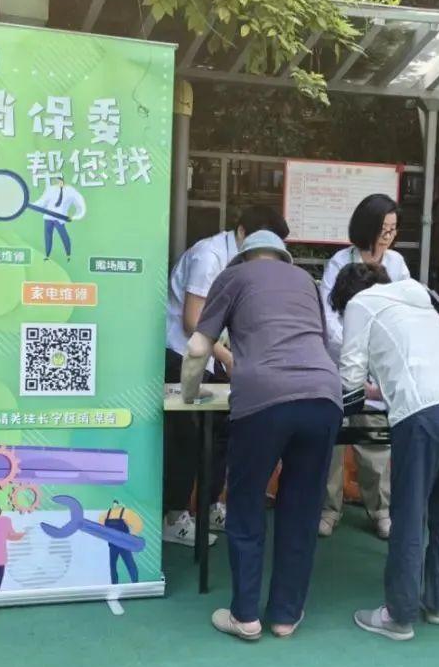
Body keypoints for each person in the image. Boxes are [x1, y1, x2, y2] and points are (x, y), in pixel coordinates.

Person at [182, 230, 342, 641]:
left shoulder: (233, 277)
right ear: (283, 257)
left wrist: (189, 394)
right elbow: (321, 342)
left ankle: (245, 615)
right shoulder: (306, 281)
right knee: (302, 509)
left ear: (243, 257)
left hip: (263, 400)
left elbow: (198, 347)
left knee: (247, 502)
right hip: (324, 397)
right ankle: (285, 616)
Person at [330, 264, 439, 641]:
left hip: (423, 412)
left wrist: (340, 410)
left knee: (409, 512)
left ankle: (398, 616)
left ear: (346, 298)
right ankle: (437, 604)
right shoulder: (418, 300)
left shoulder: (361, 303)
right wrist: (381, 389)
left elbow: (351, 373)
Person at [163, 206, 290, 548]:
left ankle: (210, 507)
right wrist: (229, 357)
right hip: (183, 355)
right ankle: (174, 517)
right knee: (186, 439)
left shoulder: (248, 262)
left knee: (221, 435)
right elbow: (192, 321)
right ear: (243, 232)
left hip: (216, 357)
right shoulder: (209, 256)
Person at [319, 193, 410, 541]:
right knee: (332, 439)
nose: (389, 235)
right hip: (340, 358)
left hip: (380, 359)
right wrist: (353, 348)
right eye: (383, 228)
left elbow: (401, 312)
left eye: (393, 228)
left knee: (374, 439)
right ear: (367, 227)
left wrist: (376, 351)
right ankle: (328, 509)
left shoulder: (397, 263)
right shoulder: (340, 261)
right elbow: (330, 316)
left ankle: (381, 510)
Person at [33, 177, 86, 261]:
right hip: (48, 216)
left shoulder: (70, 190)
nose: (58, 183)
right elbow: (42, 201)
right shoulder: (51, 189)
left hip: (60, 218)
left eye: (60, 181)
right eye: (56, 181)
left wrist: (75, 217)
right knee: (48, 236)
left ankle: (68, 254)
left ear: (63, 181)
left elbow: (81, 205)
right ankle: (47, 255)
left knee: (64, 236)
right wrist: (31, 205)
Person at [99, 500, 145, 585]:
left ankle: (135, 583)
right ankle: (114, 584)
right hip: (113, 545)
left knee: (130, 564)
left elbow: (139, 524)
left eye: (116, 503)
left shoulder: (126, 513)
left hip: (124, 545)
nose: (115, 505)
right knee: (112, 566)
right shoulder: (105, 514)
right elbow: (101, 528)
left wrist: (131, 536)